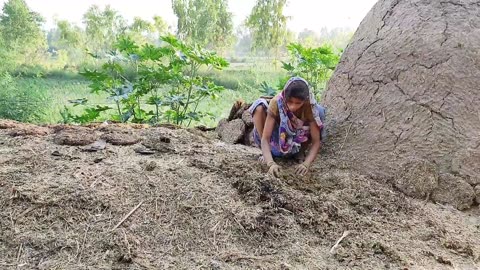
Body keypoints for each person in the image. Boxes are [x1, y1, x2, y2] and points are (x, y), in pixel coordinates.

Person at [248, 77, 326, 177]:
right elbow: (265, 138)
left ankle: (300, 152)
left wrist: (306, 164)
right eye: (290, 102)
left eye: (298, 103)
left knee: (319, 111)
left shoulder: (309, 106)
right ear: (285, 96)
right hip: (275, 141)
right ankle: (267, 153)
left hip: (294, 142)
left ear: (305, 100)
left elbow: (316, 141)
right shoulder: (277, 102)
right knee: (258, 106)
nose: (293, 106)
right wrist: (271, 163)